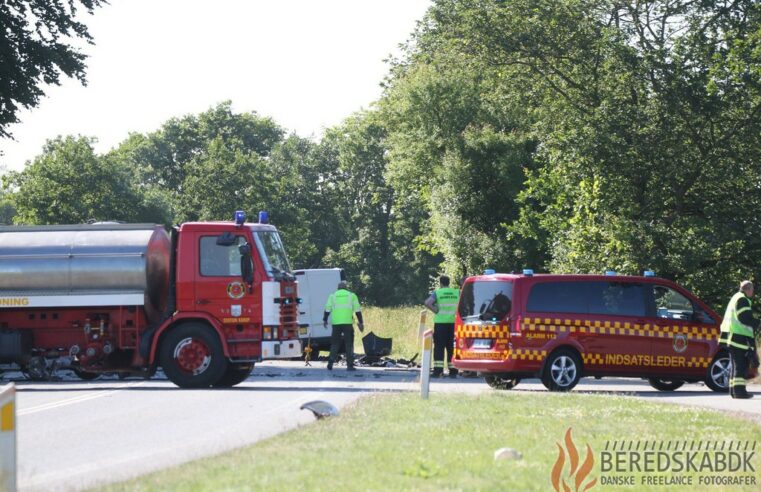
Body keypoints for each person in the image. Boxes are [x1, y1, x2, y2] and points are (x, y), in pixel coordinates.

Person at [720, 280, 760, 399]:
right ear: (748, 289)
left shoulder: (735, 297)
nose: (753, 292)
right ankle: (740, 392)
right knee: (740, 366)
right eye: (752, 290)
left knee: (735, 365)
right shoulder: (742, 299)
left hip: (732, 336)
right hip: (739, 337)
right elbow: (744, 318)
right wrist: (757, 323)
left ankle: (734, 391)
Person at [424, 275, 460, 378]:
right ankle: (453, 371)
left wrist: (436, 310)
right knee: (452, 347)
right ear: (449, 283)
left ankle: (438, 371)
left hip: (440, 324)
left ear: (440, 283)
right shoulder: (456, 292)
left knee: (439, 347)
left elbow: (427, 302)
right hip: (454, 323)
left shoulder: (438, 293)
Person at [323, 281, 364, 371]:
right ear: (346, 288)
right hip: (347, 324)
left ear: (338, 288)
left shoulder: (332, 296)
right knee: (349, 344)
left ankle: (330, 363)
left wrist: (325, 320)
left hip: (336, 324)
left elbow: (327, 309)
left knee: (334, 344)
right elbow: (357, 311)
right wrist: (361, 322)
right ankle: (349, 365)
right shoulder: (351, 296)